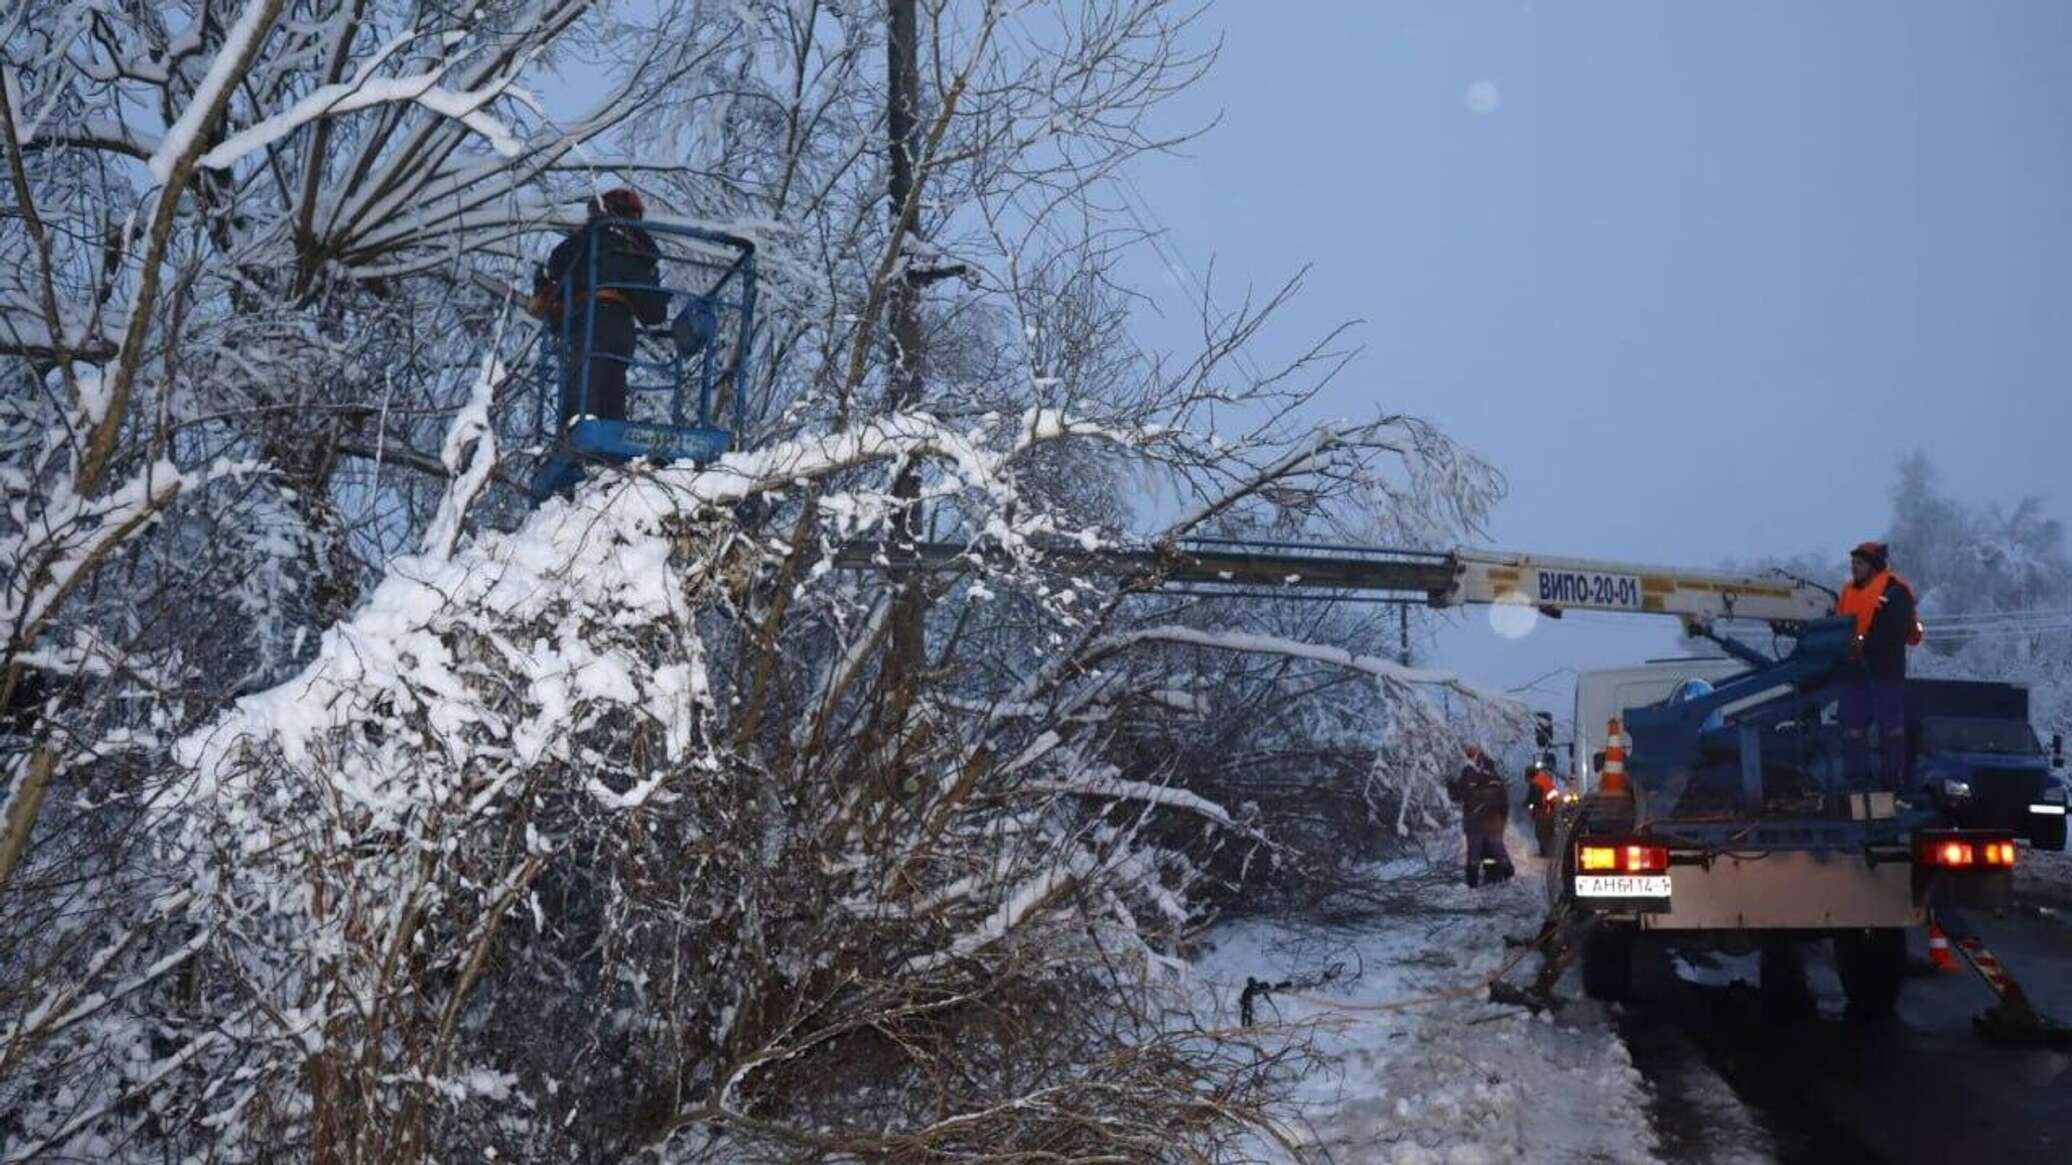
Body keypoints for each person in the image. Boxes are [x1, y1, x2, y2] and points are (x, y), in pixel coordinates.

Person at [531, 188, 669, 433]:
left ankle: (575, 429)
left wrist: (550, 295)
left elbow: (558, 266)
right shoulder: (640, 252)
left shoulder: (586, 240)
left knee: (586, 376)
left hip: (591, 319)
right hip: (623, 327)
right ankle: (610, 434)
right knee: (612, 381)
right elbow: (655, 313)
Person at [1834, 540, 1922, 787]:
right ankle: (1856, 779)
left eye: (1858, 563)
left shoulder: (1896, 591)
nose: (1853, 568)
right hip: (1854, 672)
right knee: (1853, 728)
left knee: (1890, 728)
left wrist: (1864, 647)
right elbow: (1837, 624)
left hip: (1885, 672)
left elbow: (1893, 634)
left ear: (1873, 565)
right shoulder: (1848, 591)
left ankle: (1891, 780)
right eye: (1852, 563)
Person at [1448, 744, 1514, 887]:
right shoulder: (1495, 777)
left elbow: (1458, 795)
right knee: (1498, 849)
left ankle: (1472, 884)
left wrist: (1450, 784)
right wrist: (1502, 821)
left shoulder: (1468, 773)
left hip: (1475, 822)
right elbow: (1504, 802)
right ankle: (1508, 876)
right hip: (1493, 822)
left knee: (1474, 854)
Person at [1523, 756, 1561, 857]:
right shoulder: (1544, 778)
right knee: (1549, 831)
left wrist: (1526, 803)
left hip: (1543, 810)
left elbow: (1534, 798)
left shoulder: (1536, 783)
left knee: (1541, 832)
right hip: (1551, 809)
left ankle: (1545, 852)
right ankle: (1552, 852)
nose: (1526, 780)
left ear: (1529, 775)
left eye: (1526, 777)